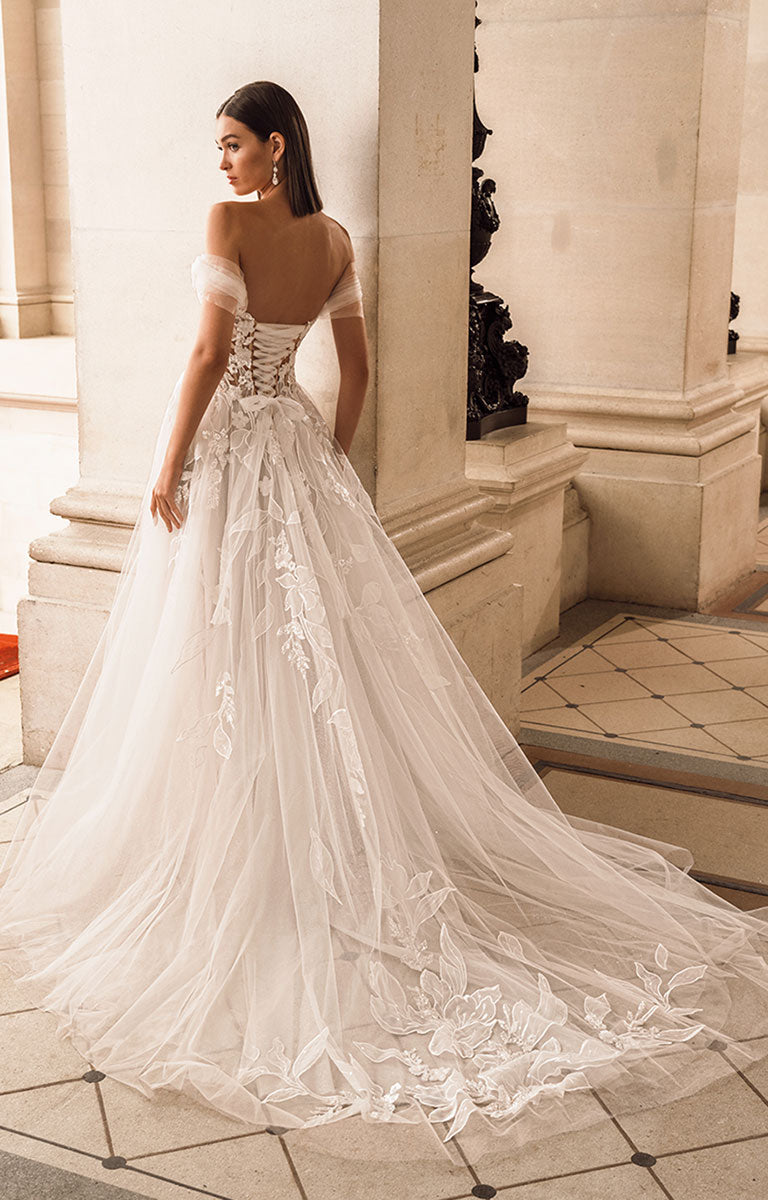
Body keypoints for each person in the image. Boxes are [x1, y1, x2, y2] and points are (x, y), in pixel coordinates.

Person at [1, 81, 767, 1158]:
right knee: (304, 650)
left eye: (233, 145)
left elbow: (209, 357)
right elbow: (353, 370)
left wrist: (167, 464)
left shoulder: (232, 224)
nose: (221, 165)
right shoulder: (335, 238)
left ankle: (241, 851)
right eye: (218, 150)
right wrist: (323, 447)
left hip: (229, 457)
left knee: (221, 643)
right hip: (298, 453)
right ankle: (291, 841)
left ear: (275, 146)